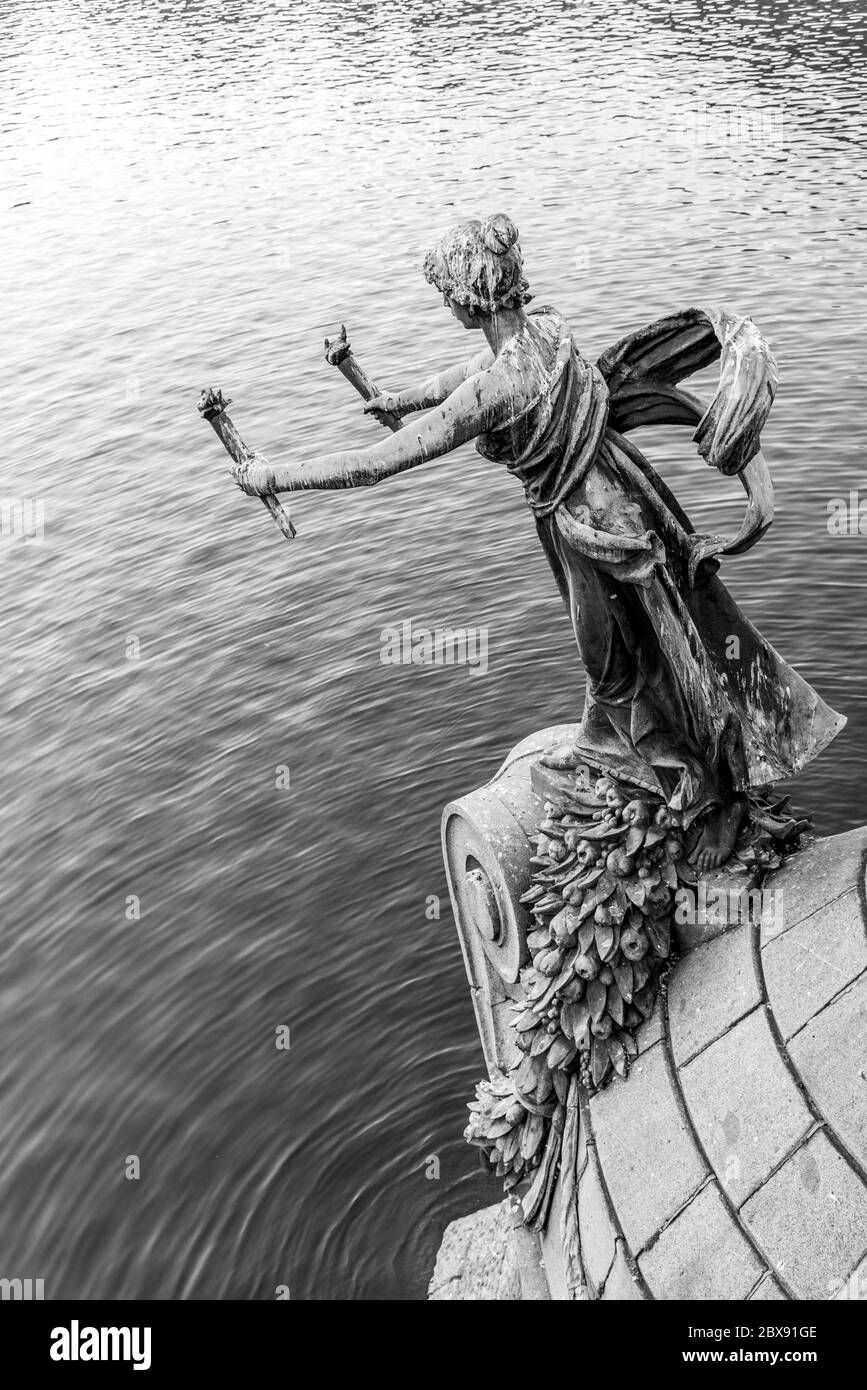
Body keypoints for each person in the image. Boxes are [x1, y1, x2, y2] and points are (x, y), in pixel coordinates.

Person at [232, 213, 844, 870]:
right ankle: (605, 744)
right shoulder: (544, 329)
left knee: (650, 655)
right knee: (629, 650)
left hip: (597, 530)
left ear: (465, 298)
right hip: (620, 489)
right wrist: (397, 396)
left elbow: (380, 462)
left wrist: (272, 475)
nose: (444, 304)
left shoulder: (501, 387)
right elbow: (457, 382)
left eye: (444, 293)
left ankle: (712, 797)